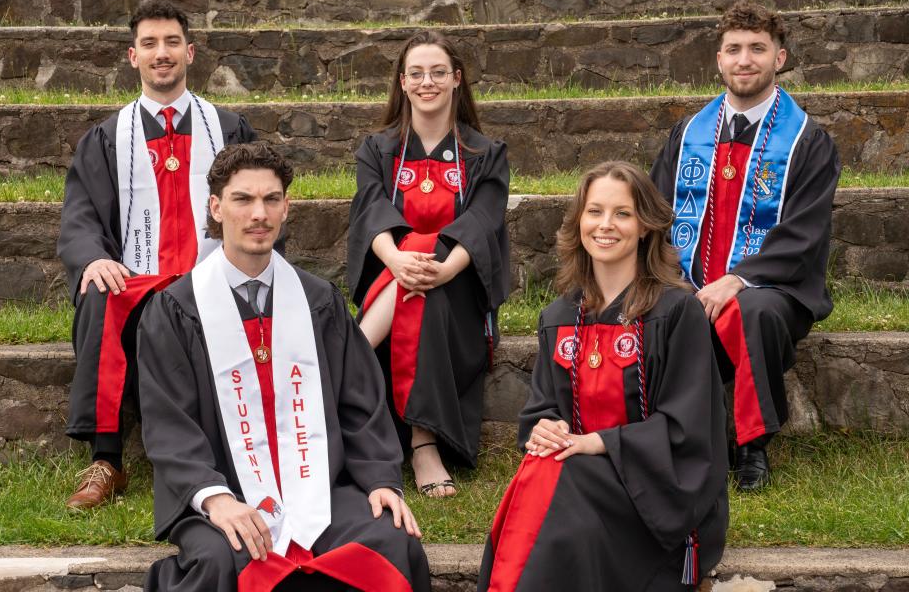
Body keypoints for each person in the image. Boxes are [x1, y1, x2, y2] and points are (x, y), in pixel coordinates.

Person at [138, 142, 430, 592]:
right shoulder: (176, 311)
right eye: (243, 199)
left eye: (271, 199)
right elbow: (167, 421)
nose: (259, 214)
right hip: (224, 492)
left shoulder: (318, 302)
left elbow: (361, 401)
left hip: (319, 490)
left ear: (286, 207)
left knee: (390, 541)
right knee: (220, 560)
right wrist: (214, 498)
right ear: (216, 207)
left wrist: (379, 479)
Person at [477, 162, 729, 591]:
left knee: (551, 480)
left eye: (622, 213)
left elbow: (689, 430)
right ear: (578, 222)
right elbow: (541, 408)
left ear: (646, 226)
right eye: (594, 212)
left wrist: (596, 443)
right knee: (544, 468)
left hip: (656, 498)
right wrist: (547, 430)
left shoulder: (676, 313)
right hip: (573, 485)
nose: (605, 225)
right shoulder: (558, 317)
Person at [57, 0, 260, 508]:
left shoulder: (228, 128)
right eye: (149, 44)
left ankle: (235, 452)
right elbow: (81, 215)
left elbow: (258, 197)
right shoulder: (106, 138)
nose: (161, 53)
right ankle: (107, 460)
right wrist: (93, 260)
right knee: (101, 292)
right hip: (138, 278)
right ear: (133, 56)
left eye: (171, 42)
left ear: (190, 52)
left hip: (209, 273)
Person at [650, 1, 841, 490]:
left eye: (758, 48)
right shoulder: (689, 134)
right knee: (654, 306)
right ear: (718, 60)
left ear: (780, 58)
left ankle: (751, 446)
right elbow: (655, 213)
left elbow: (804, 232)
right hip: (690, 280)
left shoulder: (806, 141)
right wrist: (674, 278)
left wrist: (736, 280)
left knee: (749, 312)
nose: (745, 60)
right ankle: (665, 436)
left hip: (775, 286)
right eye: (734, 49)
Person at [347, 30, 510, 498]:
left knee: (430, 280)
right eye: (416, 73)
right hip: (393, 273)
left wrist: (445, 268)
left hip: (458, 286)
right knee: (419, 279)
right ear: (402, 82)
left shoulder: (485, 153)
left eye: (439, 72)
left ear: (457, 80)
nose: (427, 82)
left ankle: (349, 355)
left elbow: (482, 221)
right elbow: (371, 212)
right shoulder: (377, 150)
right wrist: (398, 260)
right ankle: (424, 444)